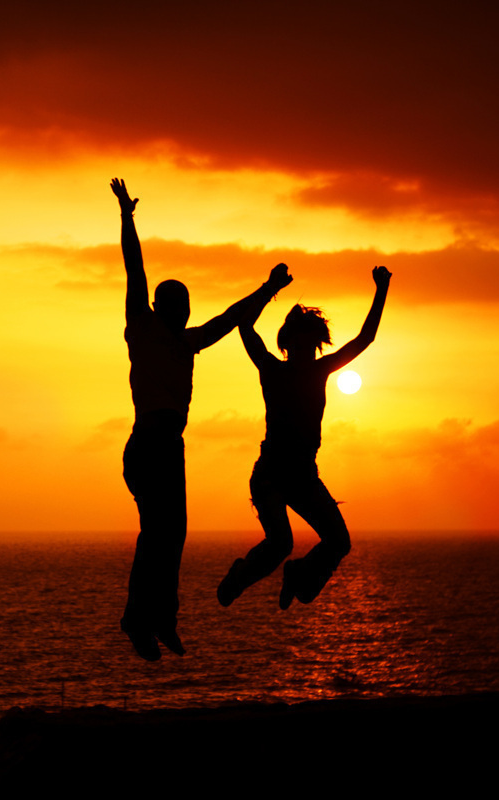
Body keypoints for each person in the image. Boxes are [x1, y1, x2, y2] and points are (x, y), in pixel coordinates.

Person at [111, 177, 291, 660]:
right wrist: (128, 217)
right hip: (150, 444)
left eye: (187, 304)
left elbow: (232, 317)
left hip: (168, 446)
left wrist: (269, 288)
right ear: (161, 307)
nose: (186, 310)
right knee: (157, 534)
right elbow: (134, 268)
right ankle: (138, 620)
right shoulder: (142, 326)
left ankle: (161, 620)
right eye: (178, 303)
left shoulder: (188, 341)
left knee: (172, 536)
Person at [217, 265, 392, 610]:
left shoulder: (321, 370)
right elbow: (245, 325)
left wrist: (382, 288)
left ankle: (299, 574)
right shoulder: (271, 369)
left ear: (315, 347)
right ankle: (240, 576)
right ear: (286, 347)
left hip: (303, 476)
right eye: (295, 346)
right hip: (269, 474)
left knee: (339, 542)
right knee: (280, 542)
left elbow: (366, 338)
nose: (301, 353)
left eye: (308, 347)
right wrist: (271, 287)